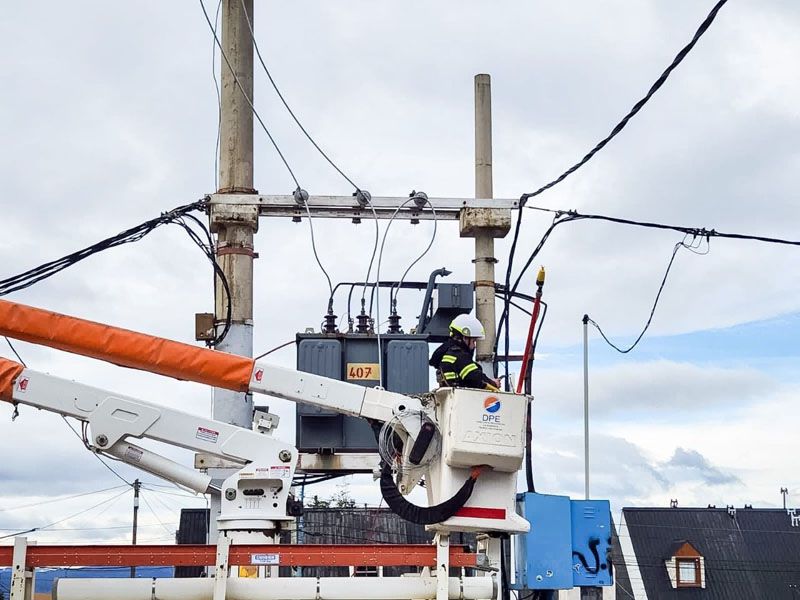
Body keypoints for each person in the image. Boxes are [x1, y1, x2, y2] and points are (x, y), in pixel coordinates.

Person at [429, 314, 499, 392]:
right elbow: (474, 377)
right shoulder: (459, 355)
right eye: (473, 341)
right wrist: (493, 383)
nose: (474, 346)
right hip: (463, 400)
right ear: (465, 338)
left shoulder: (447, 355)